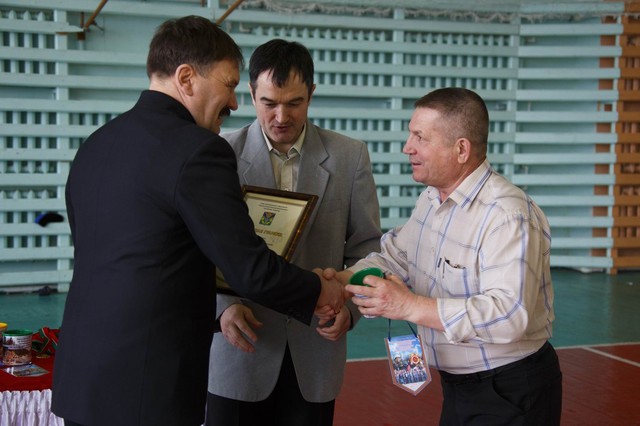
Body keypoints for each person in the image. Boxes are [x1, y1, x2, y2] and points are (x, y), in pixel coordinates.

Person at [51, 17, 346, 426]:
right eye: (229, 84)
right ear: (187, 78)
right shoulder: (199, 150)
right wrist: (320, 291)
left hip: (82, 378)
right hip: (149, 384)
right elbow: (249, 269)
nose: (234, 103)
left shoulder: (97, 144)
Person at [330, 87, 563, 425]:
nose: (407, 147)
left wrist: (408, 306)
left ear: (461, 149)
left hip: (511, 391)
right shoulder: (431, 199)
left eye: (420, 137)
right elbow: (395, 257)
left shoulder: (507, 215)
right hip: (460, 388)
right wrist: (337, 282)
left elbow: (508, 315)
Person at [205, 39, 382, 426]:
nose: (281, 116)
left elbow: (368, 248)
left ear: (312, 94)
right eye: (269, 103)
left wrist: (350, 310)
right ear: (251, 93)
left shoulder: (349, 157)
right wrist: (222, 307)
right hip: (240, 347)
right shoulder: (219, 153)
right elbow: (196, 248)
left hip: (315, 350)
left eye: (295, 103)